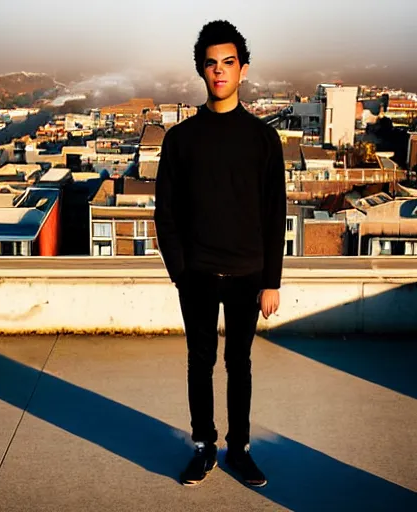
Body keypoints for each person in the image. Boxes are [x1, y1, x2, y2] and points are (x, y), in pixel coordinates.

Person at [154, 20, 286, 487]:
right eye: (211, 64)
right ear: (201, 72)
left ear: (243, 70)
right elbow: (164, 211)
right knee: (199, 361)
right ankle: (203, 446)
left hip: (249, 273)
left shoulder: (263, 139)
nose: (220, 71)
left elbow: (275, 214)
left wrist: (272, 280)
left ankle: (241, 449)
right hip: (198, 275)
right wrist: (180, 271)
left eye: (228, 62)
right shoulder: (181, 139)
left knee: (240, 364)